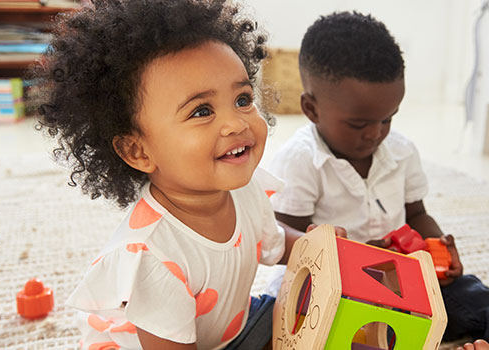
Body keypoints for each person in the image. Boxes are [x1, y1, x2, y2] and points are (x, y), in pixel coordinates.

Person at [268, 11, 489, 350]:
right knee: (304, 326)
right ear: (312, 109)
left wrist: (436, 247)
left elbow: (417, 213)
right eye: (359, 124)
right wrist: (360, 258)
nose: (375, 134)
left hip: (404, 279)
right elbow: (288, 241)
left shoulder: (401, 151)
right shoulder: (301, 161)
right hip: (331, 289)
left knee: (480, 301)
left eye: (388, 118)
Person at [36, 1, 312, 348]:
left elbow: (271, 239)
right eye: (202, 110)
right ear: (138, 151)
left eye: (242, 99)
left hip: (227, 330)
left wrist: (316, 247)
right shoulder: (152, 257)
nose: (236, 122)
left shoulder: (242, 187)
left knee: (306, 322)